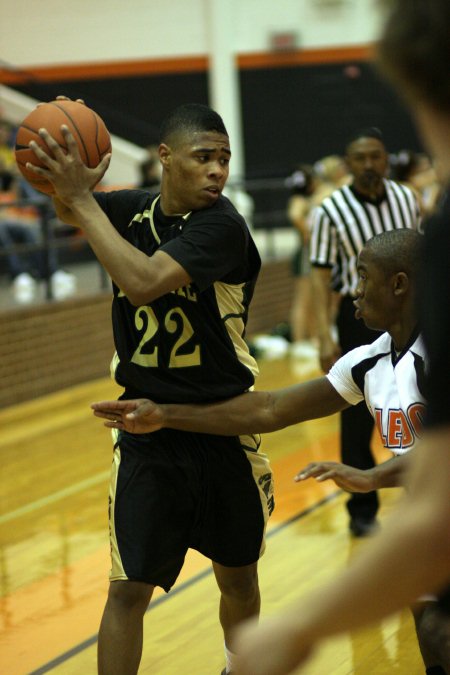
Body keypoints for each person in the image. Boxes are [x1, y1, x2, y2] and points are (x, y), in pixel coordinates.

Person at [91, 227, 443, 669]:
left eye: (361, 276)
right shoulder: (370, 360)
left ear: (399, 284)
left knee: (437, 629)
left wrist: (374, 476)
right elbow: (270, 409)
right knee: (430, 629)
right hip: (434, 524)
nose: (352, 291)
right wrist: (164, 414)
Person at [26, 101, 273, 675]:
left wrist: (83, 202)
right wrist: (67, 175)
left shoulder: (222, 227)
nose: (218, 170)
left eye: (224, 159)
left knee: (238, 577)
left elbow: (141, 284)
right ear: (165, 157)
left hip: (221, 423)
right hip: (143, 429)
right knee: (125, 591)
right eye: (203, 157)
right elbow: (68, 209)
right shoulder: (132, 210)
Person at [309, 126, 421, 537]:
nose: (370, 164)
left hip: (407, 312)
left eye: (377, 156)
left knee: (414, 401)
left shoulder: (406, 198)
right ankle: (362, 510)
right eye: (361, 158)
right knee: (355, 416)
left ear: (386, 158)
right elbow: (320, 277)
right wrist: (323, 334)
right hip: (358, 314)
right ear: (348, 163)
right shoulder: (329, 210)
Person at [285, 164, 318, 357]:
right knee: (302, 299)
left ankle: (311, 337)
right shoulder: (299, 201)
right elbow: (295, 215)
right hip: (305, 254)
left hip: (308, 253)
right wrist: (306, 233)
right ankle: (298, 341)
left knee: (312, 298)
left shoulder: (303, 199)